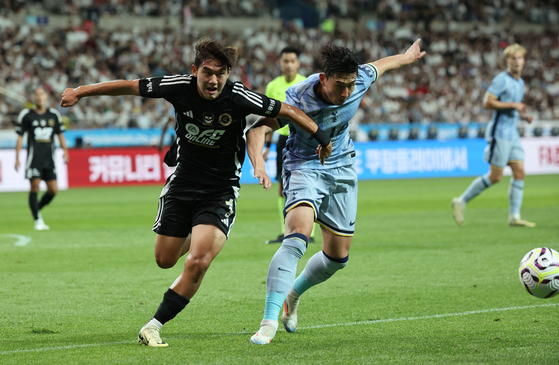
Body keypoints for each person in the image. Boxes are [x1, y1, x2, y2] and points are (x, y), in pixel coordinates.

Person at [60, 38, 332, 348]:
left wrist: (322, 137)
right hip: (182, 185)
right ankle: (198, 231)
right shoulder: (178, 86)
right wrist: (80, 92)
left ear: (228, 73)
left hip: (220, 190)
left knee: (197, 261)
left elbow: (287, 110)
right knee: (164, 259)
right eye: (207, 72)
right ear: (195, 71)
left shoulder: (240, 97)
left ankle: (153, 325)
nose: (213, 80)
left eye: (220, 73)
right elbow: (129, 85)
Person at [247, 39, 426, 344]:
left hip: (342, 166)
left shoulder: (359, 81)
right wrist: (260, 165)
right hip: (303, 165)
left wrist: (407, 58)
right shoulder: (300, 97)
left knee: (337, 258)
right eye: (340, 85)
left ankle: (294, 294)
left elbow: (381, 65)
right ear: (323, 79)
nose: (346, 92)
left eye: (350, 85)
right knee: (297, 236)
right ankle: (268, 321)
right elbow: (257, 129)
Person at [451, 43, 535, 228]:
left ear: (524, 60)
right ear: (507, 61)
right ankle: (461, 200)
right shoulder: (501, 79)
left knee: (519, 172)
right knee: (496, 177)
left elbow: (511, 106)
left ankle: (514, 215)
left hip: (513, 133)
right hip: (500, 134)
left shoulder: (519, 82)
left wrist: (523, 115)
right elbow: (487, 102)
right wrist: (513, 105)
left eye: (519, 58)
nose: (517, 61)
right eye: (513, 58)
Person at [261, 46, 319, 244]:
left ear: (298, 63)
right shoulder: (272, 86)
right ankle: (286, 230)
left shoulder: (306, 83)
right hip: (282, 140)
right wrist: (267, 147)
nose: (289, 65)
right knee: (282, 186)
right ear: (280, 63)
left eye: (292, 61)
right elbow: (270, 117)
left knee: (307, 183)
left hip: (304, 138)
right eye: (285, 61)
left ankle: (309, 232)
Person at [15, 86, 69, 231]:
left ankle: (36, 209)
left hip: (49, 158)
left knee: (53, 190)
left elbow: (60, 135)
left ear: (46, 97)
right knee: (35, 186)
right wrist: (17, 157)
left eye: (42, 94)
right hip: (34, 159)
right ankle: (37, 220)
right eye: (37, 95)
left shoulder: (53, 115)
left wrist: (65, 151)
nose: (39, 97)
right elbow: (20, 137)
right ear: (33, 97)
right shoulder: (27, 115)